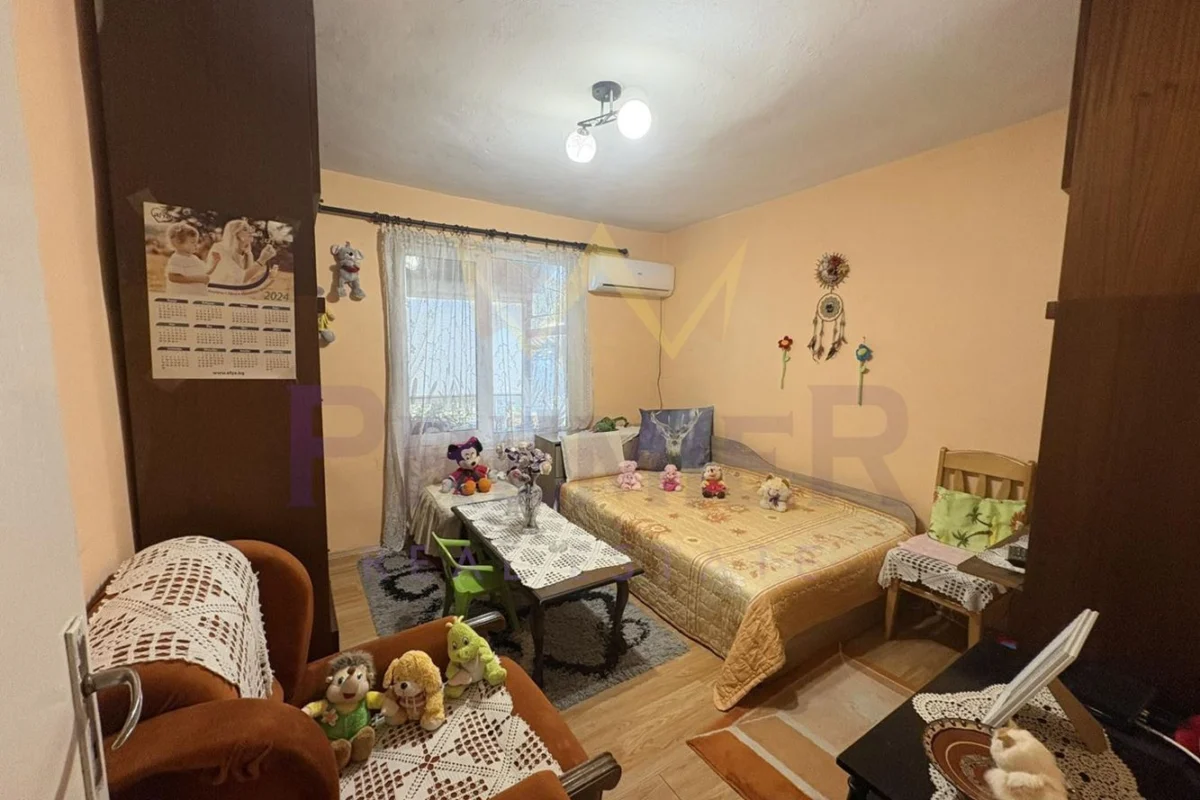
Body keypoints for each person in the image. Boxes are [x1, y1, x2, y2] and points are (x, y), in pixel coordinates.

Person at [207, 218, 276, 287]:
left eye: (250, 229)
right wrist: (262, 260)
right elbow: (240, 279)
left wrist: (265, 276)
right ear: (235, 234)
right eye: (245, 229)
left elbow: (247, 282)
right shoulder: (218, 249)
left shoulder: (246, 253)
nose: (251, 232)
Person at [164, 222, 218, 296]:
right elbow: (173, 277)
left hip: (196, 296)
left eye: (197, 242)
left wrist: (215, 262)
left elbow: (205, 272)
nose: (196, 245)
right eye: (192, 242)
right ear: (177, 243)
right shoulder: (177, 258)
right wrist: (199, 279)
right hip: (183, 297)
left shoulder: (194, 258)